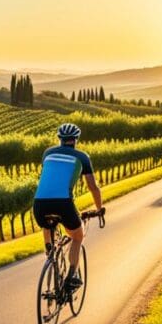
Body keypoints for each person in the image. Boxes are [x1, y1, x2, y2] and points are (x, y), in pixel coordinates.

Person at [33, 123, 104, 293]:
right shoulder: (82, 157)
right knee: (77, 236)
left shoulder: (47, 154)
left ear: (60, 139)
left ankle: (50, 257)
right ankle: (71, 276)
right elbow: (92, 187)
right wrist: (99, 208)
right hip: (63, 202)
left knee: (48, 224)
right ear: (75, 140)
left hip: (39, 202)